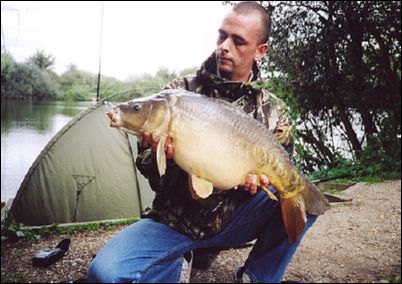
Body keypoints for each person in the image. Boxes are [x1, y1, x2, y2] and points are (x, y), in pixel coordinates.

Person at [87, 2, 317, 283]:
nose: (224, 46)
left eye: (238, 41)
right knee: (104, 274)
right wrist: (158, 154)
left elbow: (282, 167)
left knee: (303, 195)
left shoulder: (273, 111)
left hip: (235, 220)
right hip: (175, 222)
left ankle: (257, 277)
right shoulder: (178, 92)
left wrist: (263, 181)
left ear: (260, 51)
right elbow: (152, 175)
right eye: (222, 36)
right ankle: (177, 262)